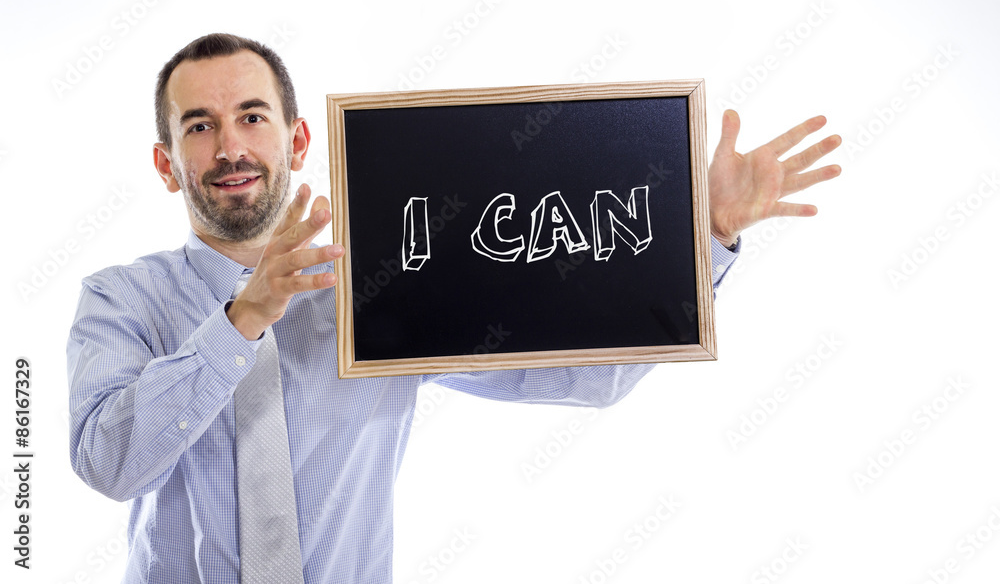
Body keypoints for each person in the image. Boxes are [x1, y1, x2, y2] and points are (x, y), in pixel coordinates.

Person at [67, 33, 841, 583]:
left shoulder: (384, 285)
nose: (229, 146)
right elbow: (109, 464)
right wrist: (242, 319)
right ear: (167, 164)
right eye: (199, 127)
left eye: (251, 116)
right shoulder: (118, 298)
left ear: (297, 141)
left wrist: (704, 235)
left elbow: (586, 377)